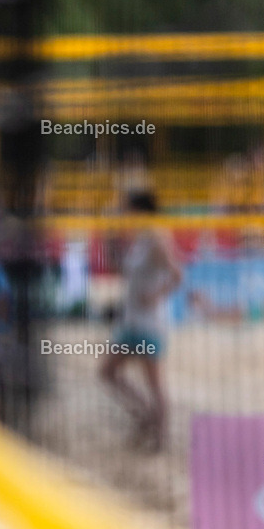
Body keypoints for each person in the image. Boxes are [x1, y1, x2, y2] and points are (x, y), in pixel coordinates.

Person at [100, 191, 183, 452]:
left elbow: (177, 274)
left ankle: (159, 438)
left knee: (154, 382)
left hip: (150, 323)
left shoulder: (158, 237)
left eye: (128, 209)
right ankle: (147, 418)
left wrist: (156, 296)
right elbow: (118, 269)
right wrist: (109, 240)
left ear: (140, 211)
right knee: (108, 372)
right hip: (131, 321)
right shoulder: (139, 239)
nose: (125, 215)